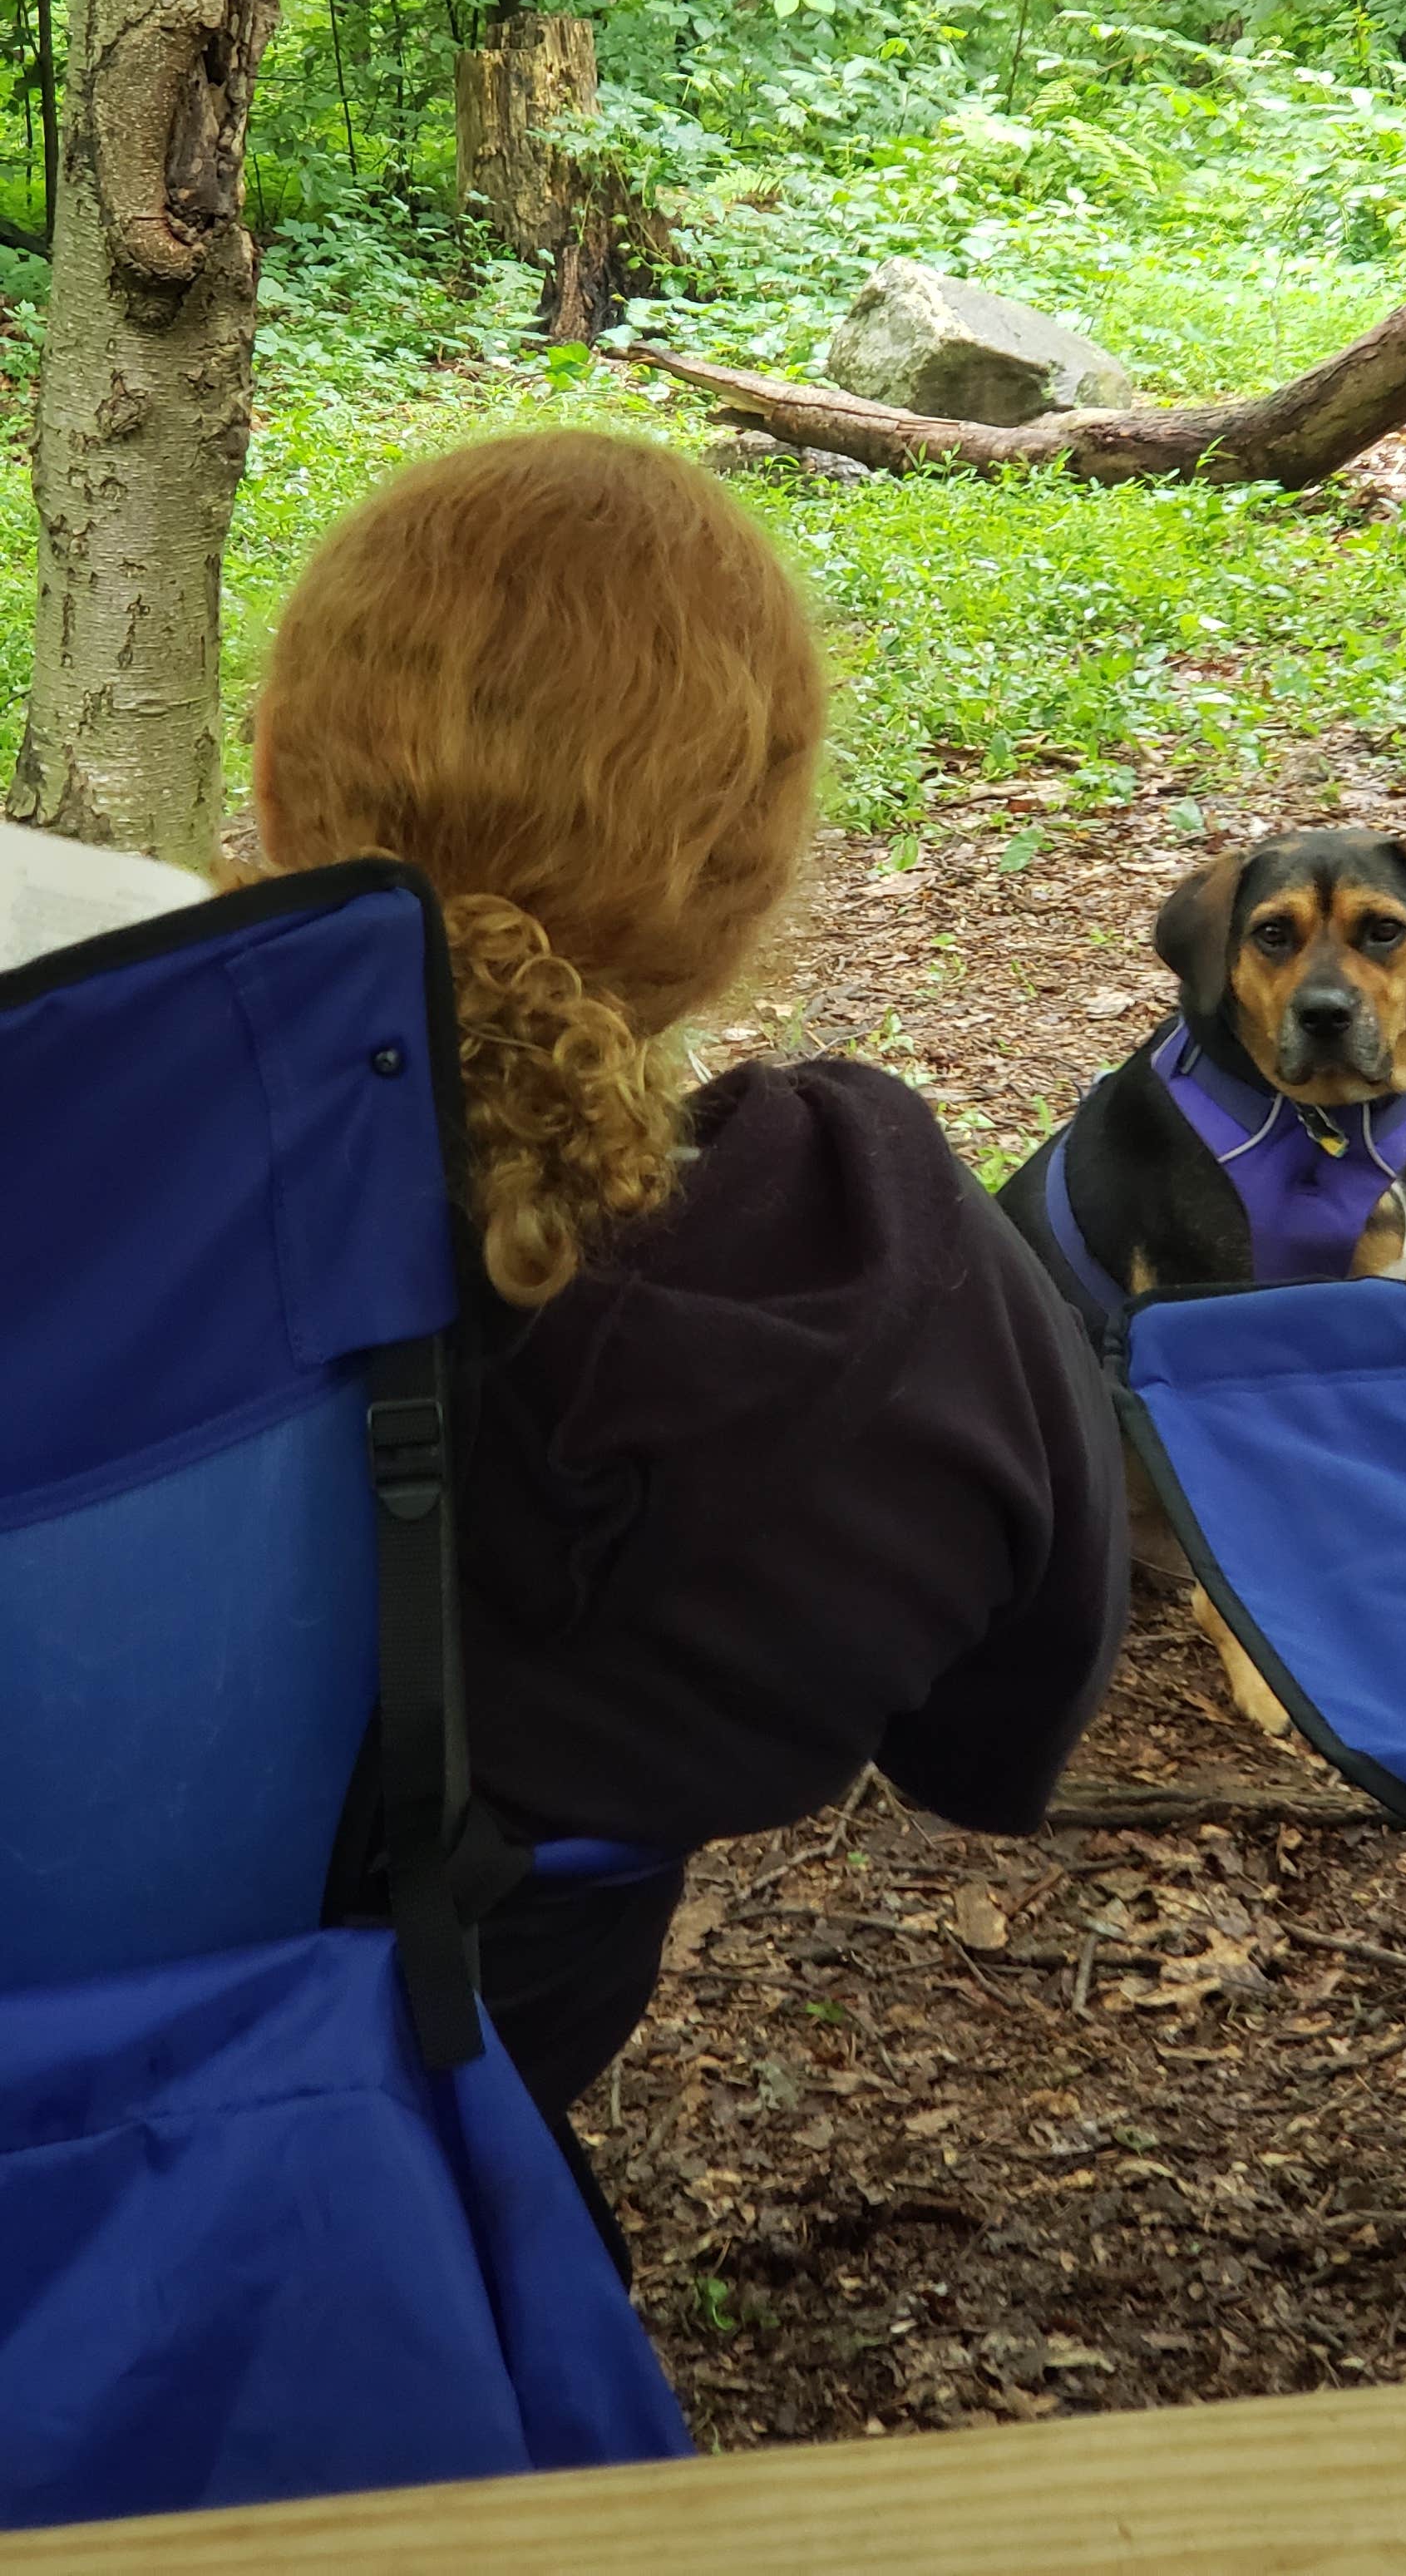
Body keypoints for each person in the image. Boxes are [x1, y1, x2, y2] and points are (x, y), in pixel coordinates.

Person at [248, 428, 1127, 2129]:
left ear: (278, 782)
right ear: (752, 877)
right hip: (486, 2063)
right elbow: (991, 1736)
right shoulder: (885, 1287)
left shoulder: (86, 1167)